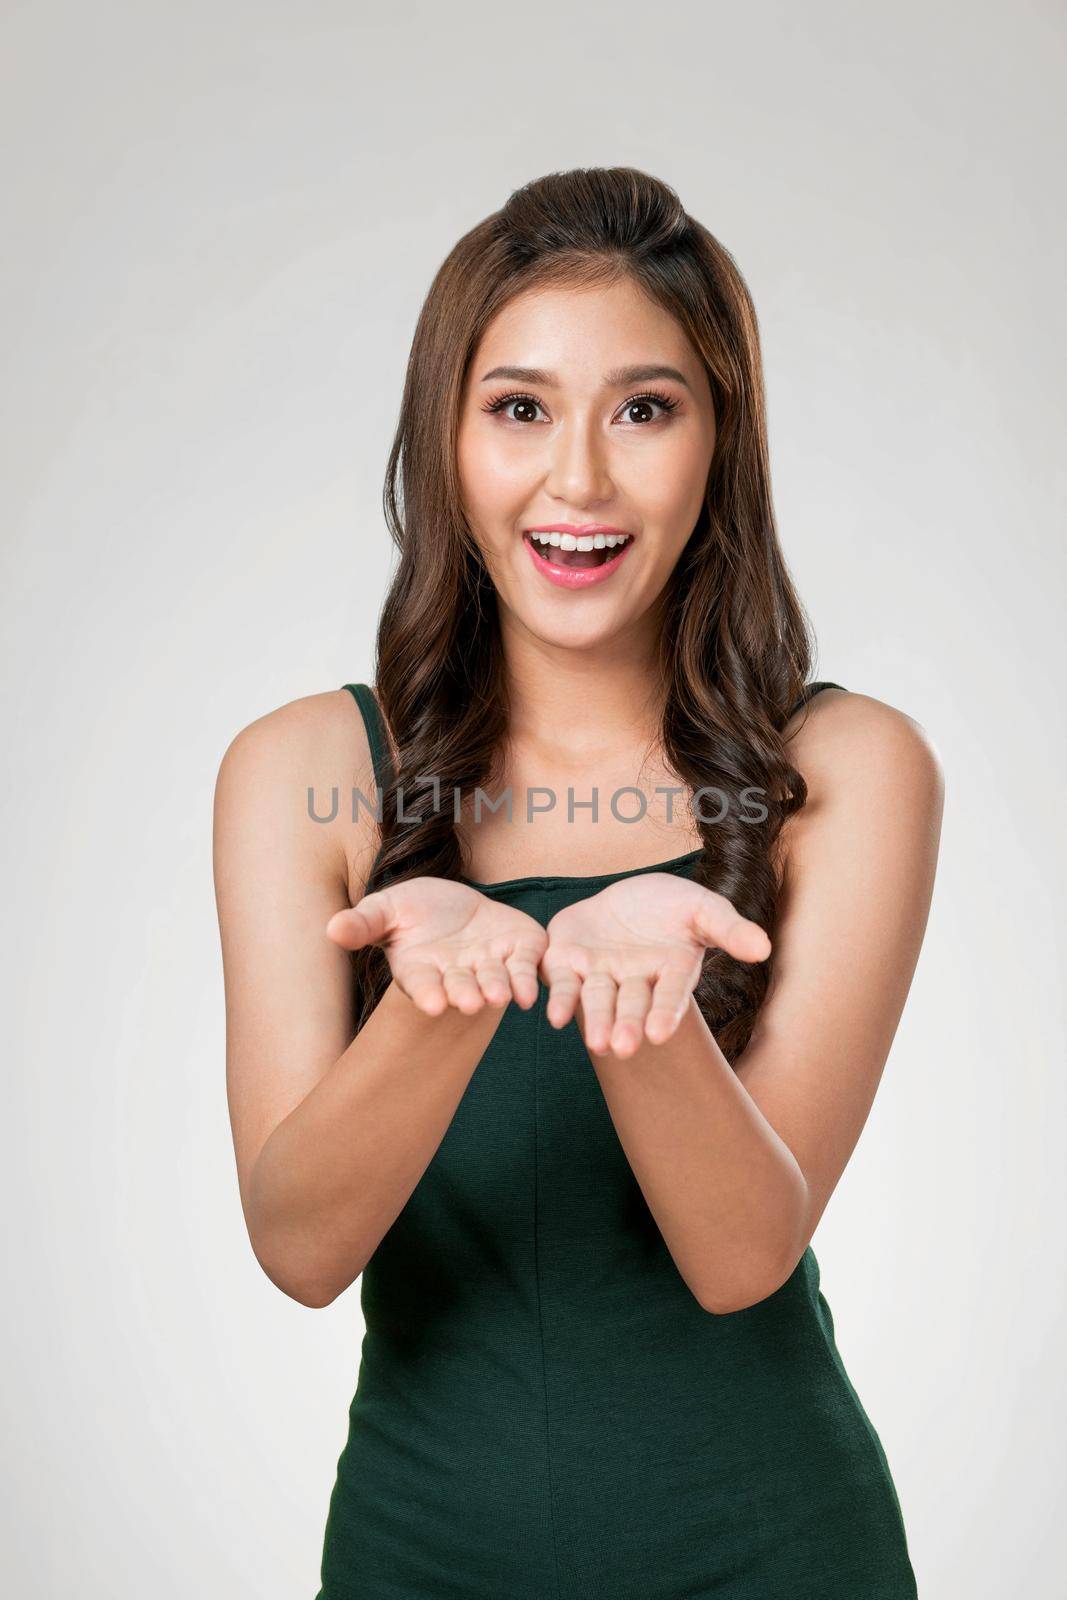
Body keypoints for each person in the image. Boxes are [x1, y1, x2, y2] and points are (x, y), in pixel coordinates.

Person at [213, 166, 944, 1598]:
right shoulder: (305, 770)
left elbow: (742, 1256)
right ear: (450, 437)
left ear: (718, 445)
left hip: (774, 1555)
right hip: (420, 1558)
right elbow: (299, 1247)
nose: (581, 480)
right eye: (522, 407)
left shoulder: (850, 769)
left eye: (647, 409)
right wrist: (439, 993)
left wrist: (646, 1003)